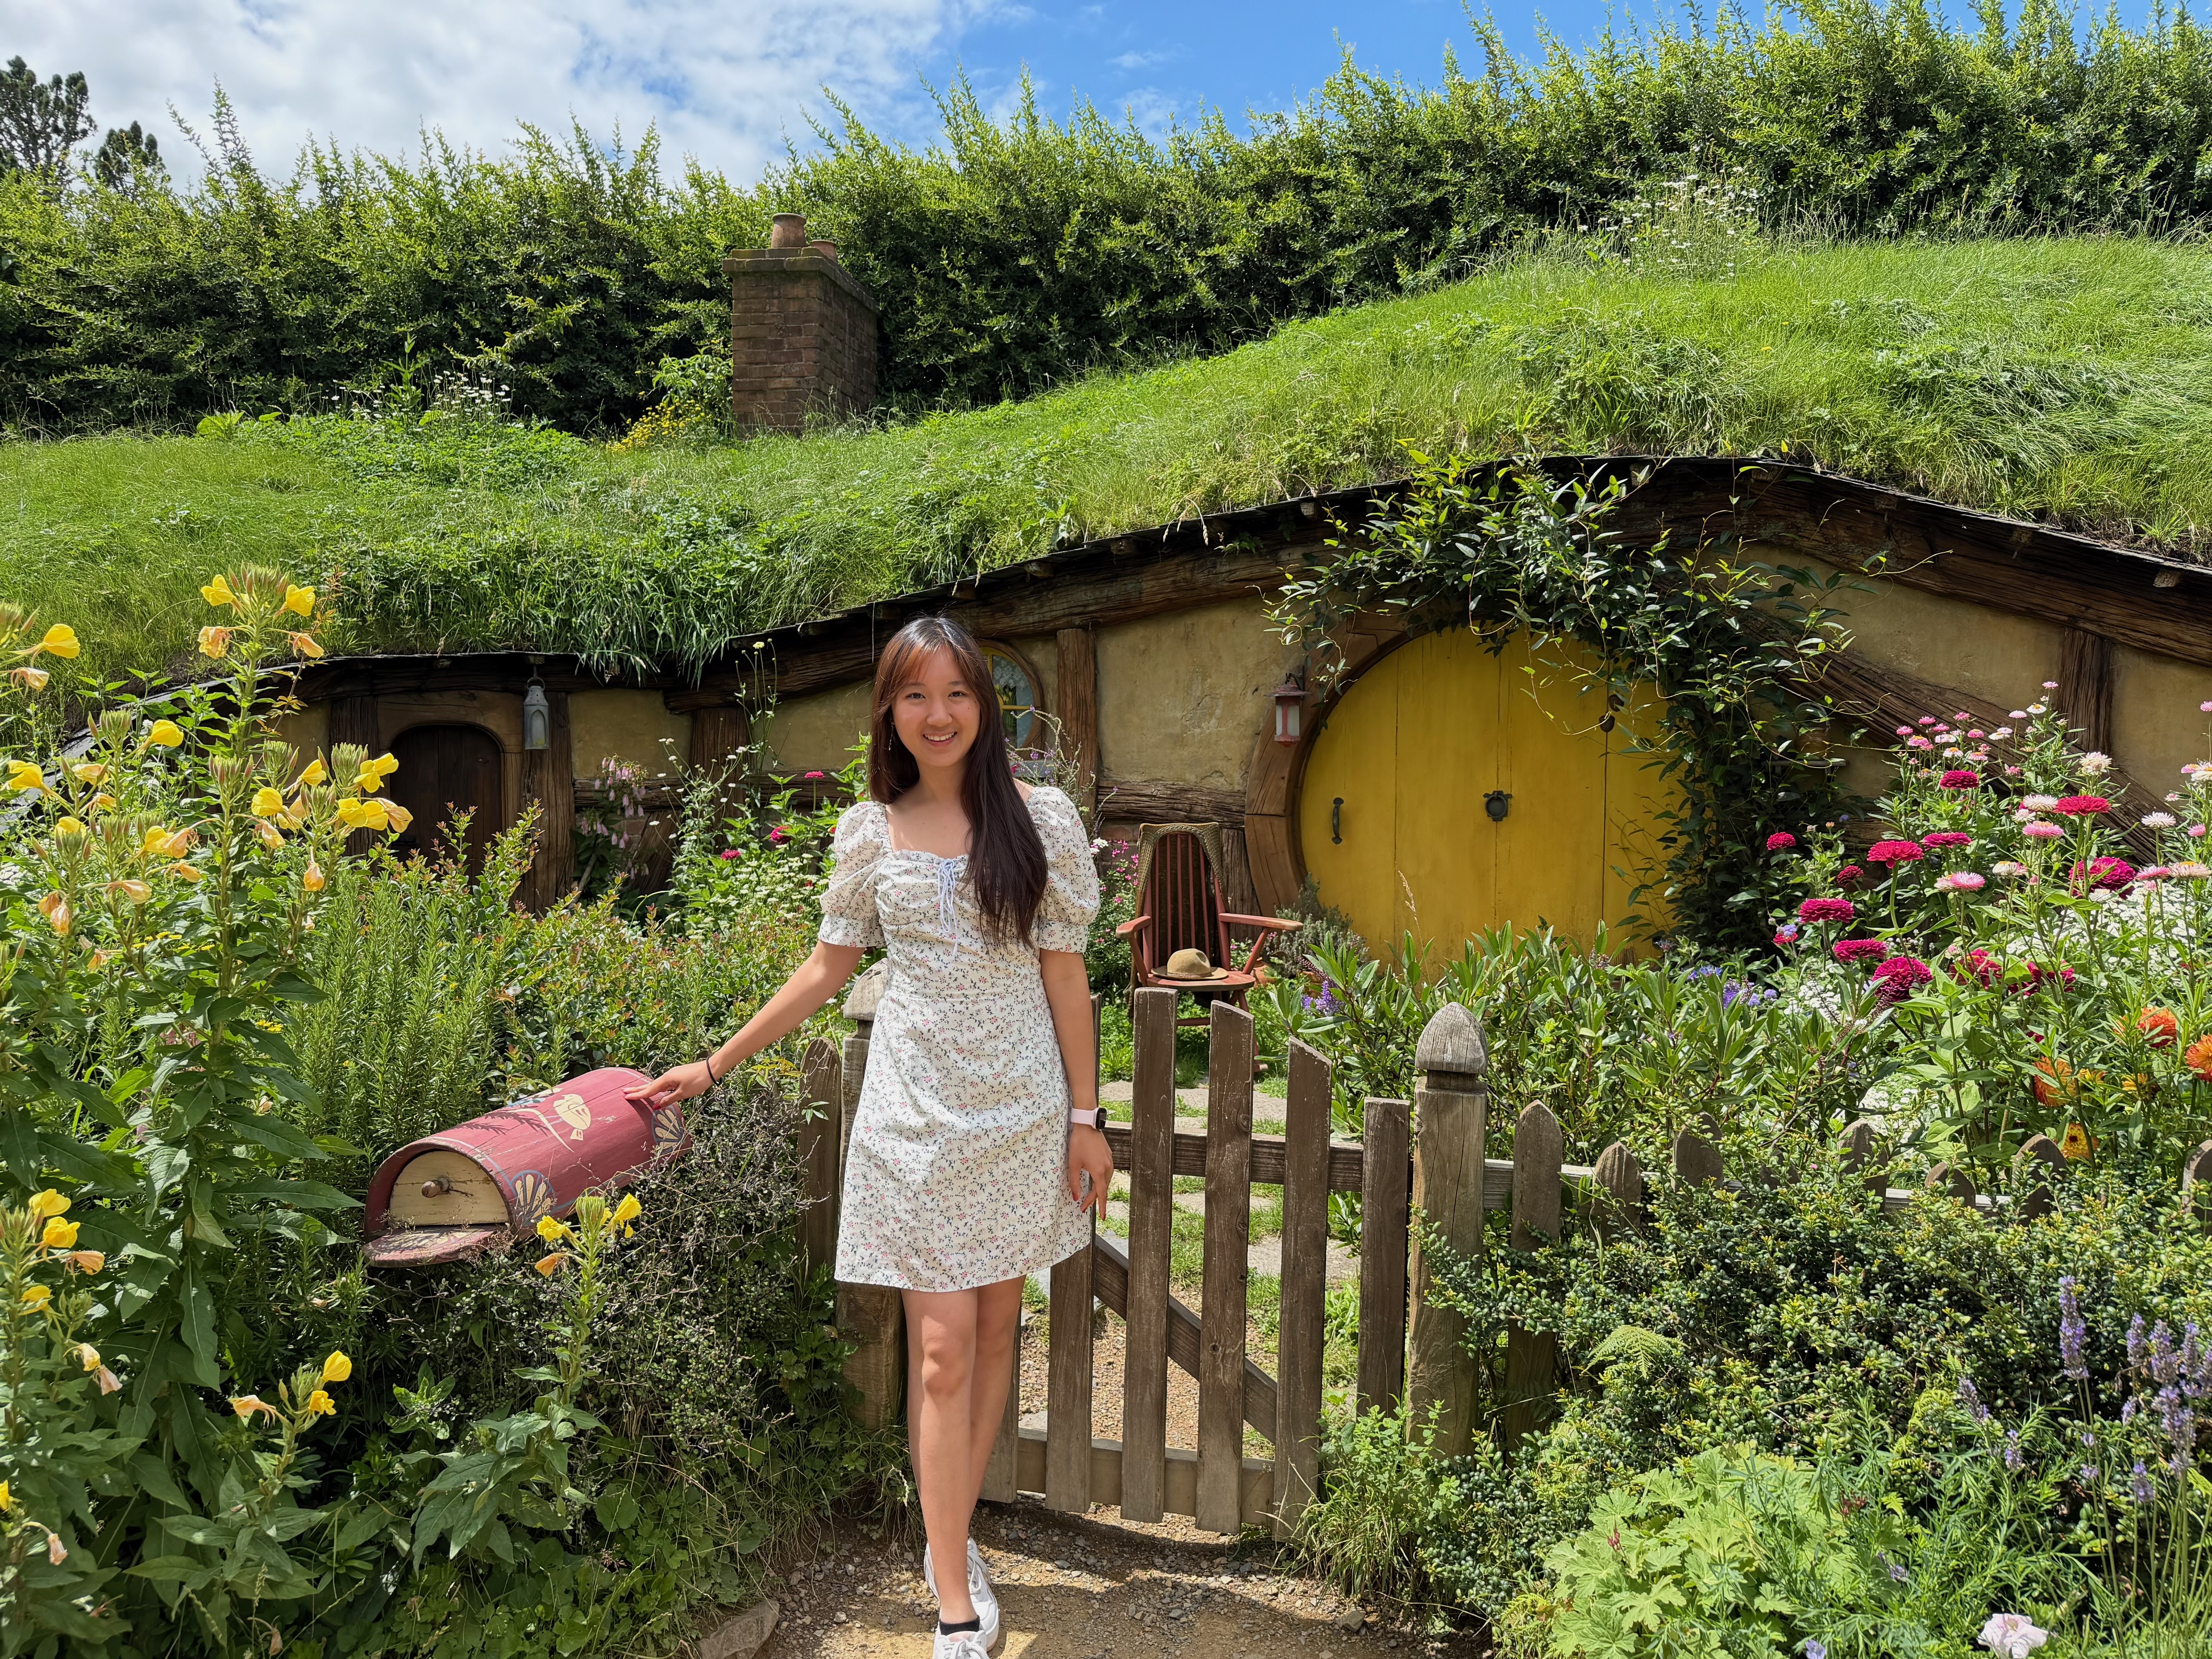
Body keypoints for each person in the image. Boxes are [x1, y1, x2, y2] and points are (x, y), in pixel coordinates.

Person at [627, 615, 1110, 1659]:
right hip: (916, 1114)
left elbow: (1066, 976)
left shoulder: (1044, 823)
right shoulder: (872, 831)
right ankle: (949, 1598)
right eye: (914, 696)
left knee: (992, 1336)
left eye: (957, 694)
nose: (938, 715)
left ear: (987, 705)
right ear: (889, 712)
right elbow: (825, 968)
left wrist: (1086, 1115)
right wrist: (713, 1064)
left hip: (1022, 1106)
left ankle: (955, 1534)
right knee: (939, 1351)